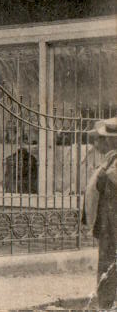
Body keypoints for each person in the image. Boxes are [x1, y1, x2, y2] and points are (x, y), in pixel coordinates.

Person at [84, 117, 117, 309]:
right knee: (107, 260)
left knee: (109, 261)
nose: (98, 144)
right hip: (108, 220)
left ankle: (106, 303)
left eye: (102, 139)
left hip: (113, 220)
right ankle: (106, 302)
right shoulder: (110, 158)